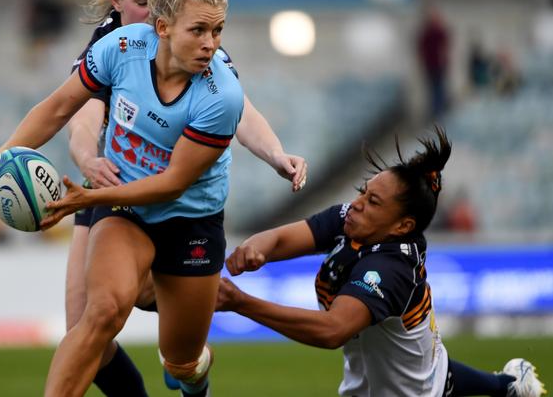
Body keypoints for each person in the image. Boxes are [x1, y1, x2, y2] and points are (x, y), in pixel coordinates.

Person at [0, 0, 284, 397]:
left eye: (217, 31)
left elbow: (173, 183)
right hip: (124, 206)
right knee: (100, 313)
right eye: (199, 30)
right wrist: (5, 152)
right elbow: (61, 107)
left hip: (190, 218)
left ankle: (193, 372)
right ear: (162, 28)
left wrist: (85, 198)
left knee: (181, 362)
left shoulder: (222, 95)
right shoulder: (118, 49)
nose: (211, 43)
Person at [66, 0, 307, 396]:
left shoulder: (198, 43)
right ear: (116, 3)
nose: (148, 12)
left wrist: (276, 153)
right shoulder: (111, 47)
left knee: (179, 358)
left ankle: (182, 323)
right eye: (139, 2)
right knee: (84, 325)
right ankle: (167, 296)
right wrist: (88, 161)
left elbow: (243, 112)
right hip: (111, 187)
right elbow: (79, 116)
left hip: (180, 204)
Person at [216, 126, 545, 397]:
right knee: (444, 374)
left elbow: (332, 331)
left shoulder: (389, 269)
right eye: (363, 191)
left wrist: (239, 301)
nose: (357, 203)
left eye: (372, 201)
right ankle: (511, 386)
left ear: (402, 226)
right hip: (423, 374)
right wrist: (255, 248)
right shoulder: (353, 221)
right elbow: (282, 238)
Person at [417, 7, 451, 118]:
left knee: (440, 89)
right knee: (434, 90)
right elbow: (422, 50)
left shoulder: (440, 32)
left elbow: (446, 48)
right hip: (431, 66)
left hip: (439, 66)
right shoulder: (427, 34)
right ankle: (436, 112)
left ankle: (440, 112)